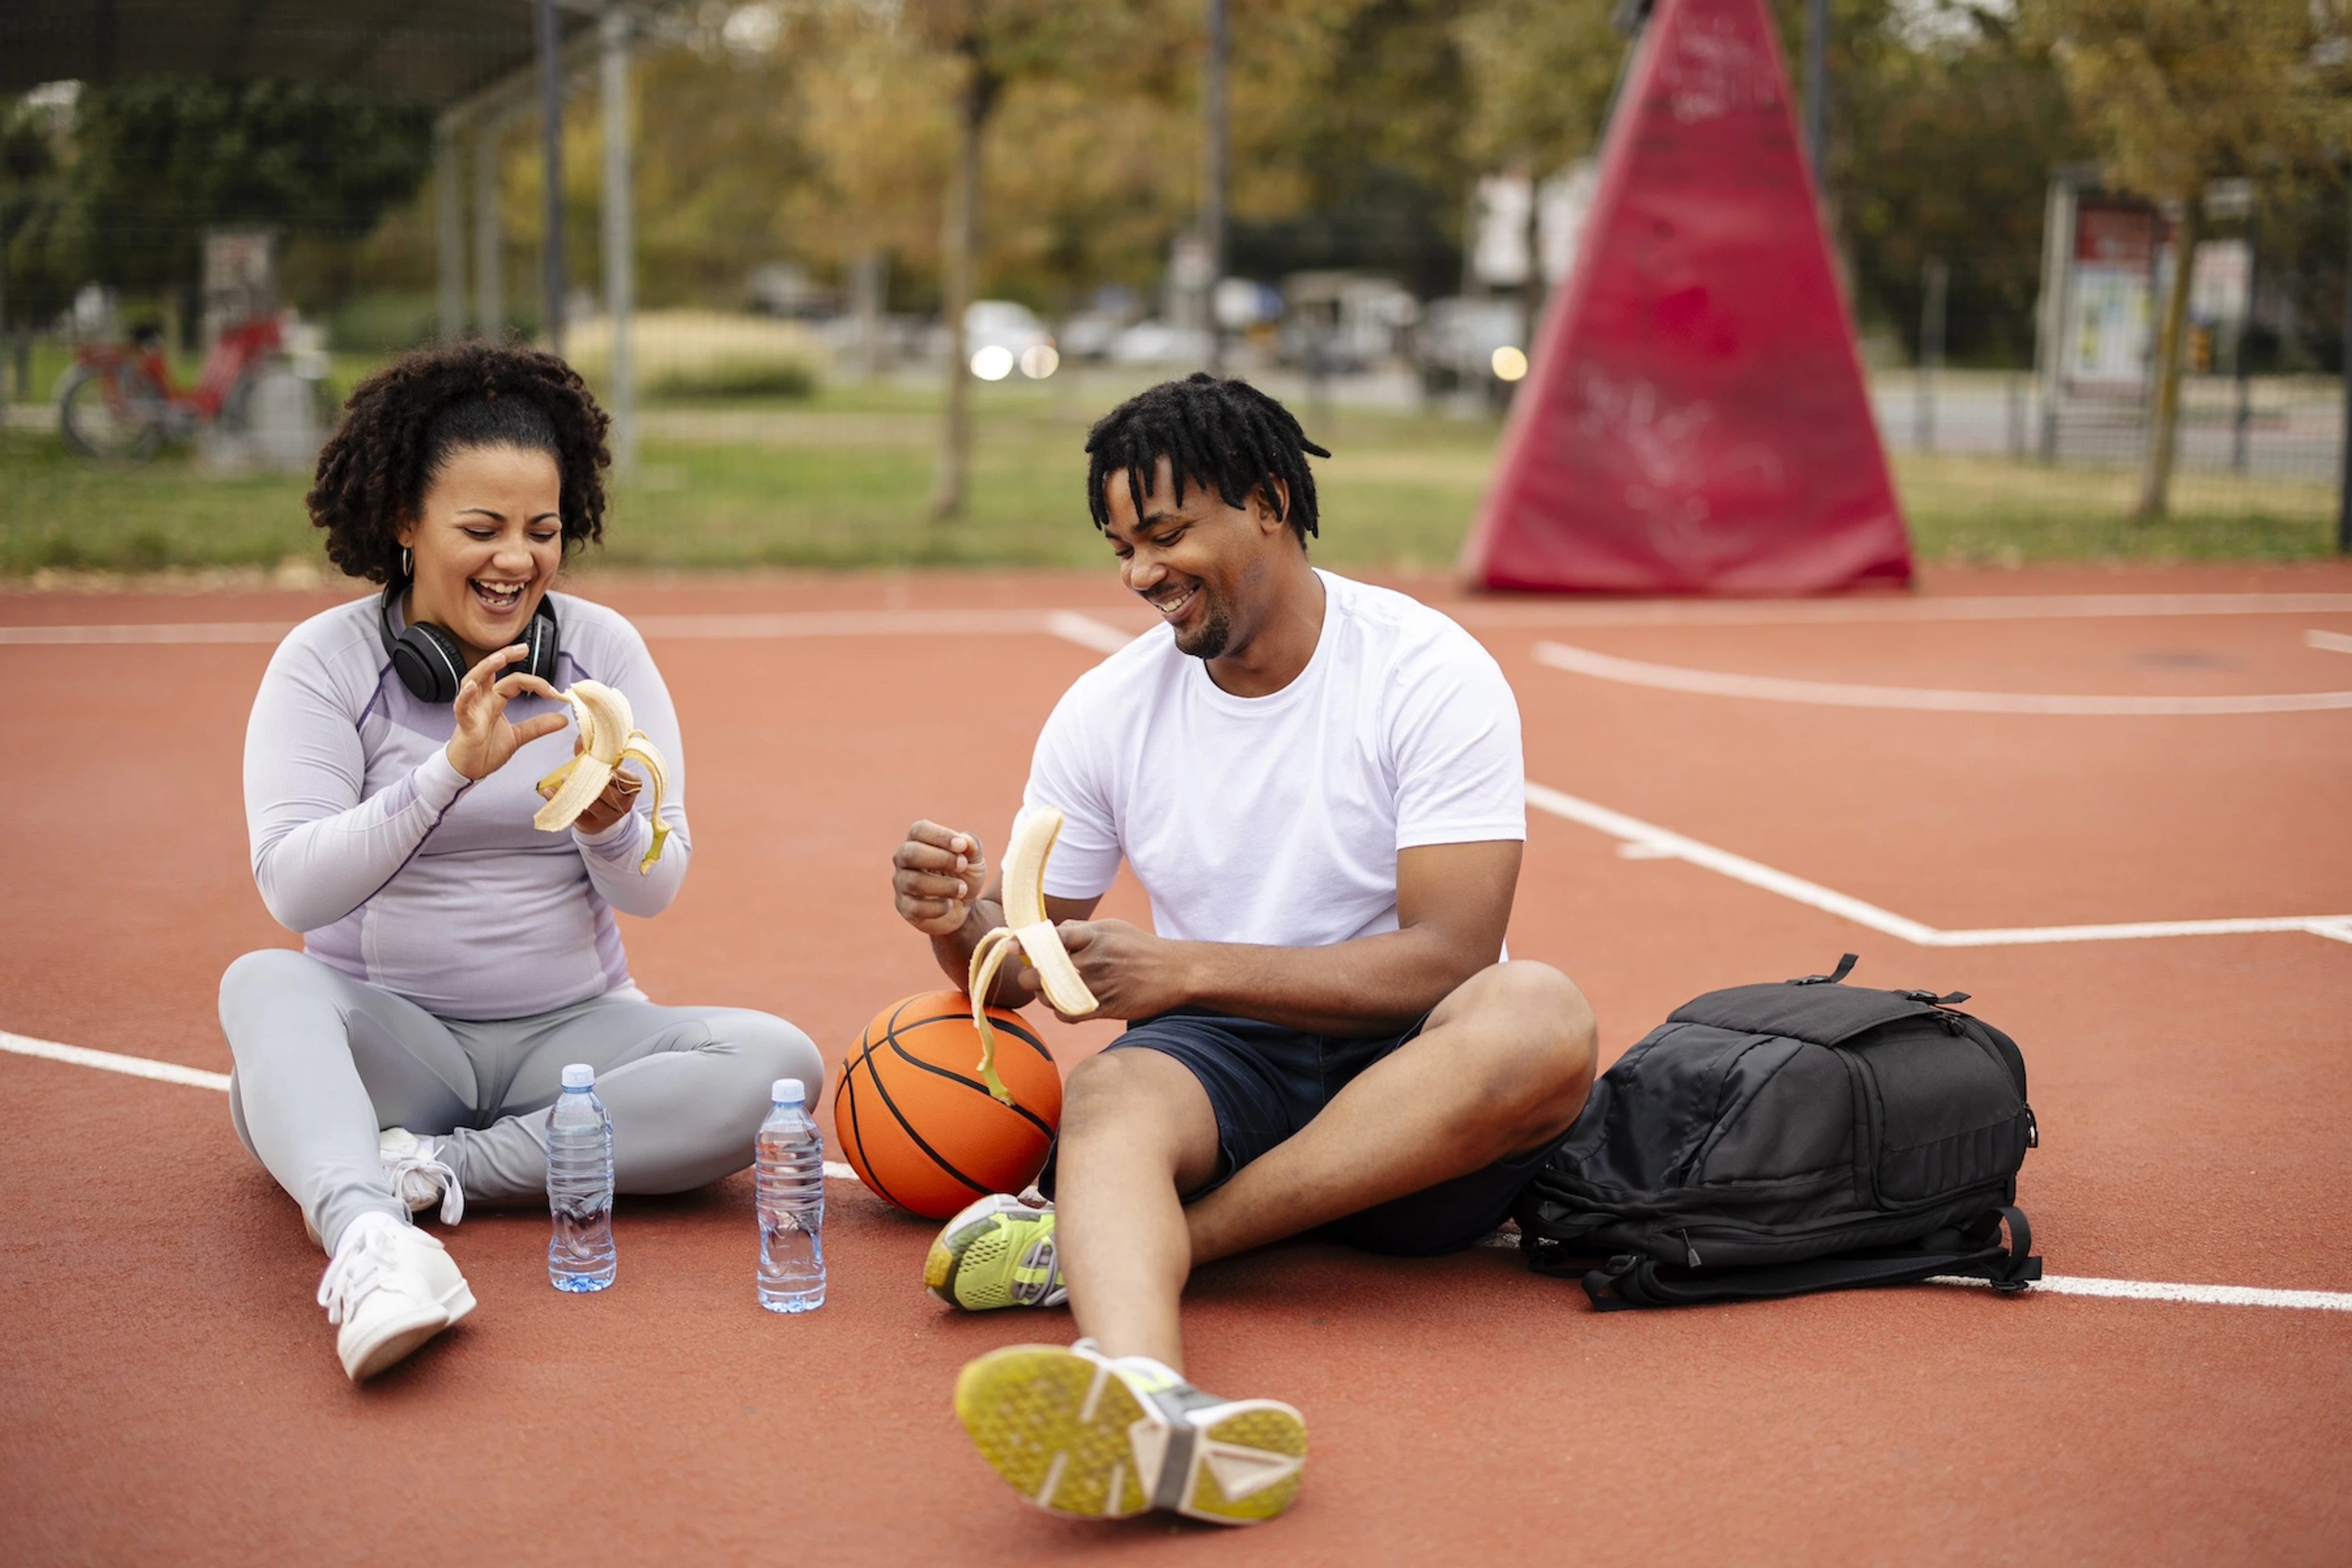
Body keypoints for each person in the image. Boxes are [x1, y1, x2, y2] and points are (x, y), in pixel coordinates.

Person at [890, 373, 1597, 1526]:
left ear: (1269, 502)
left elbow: (1453, 957)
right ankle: (1146, 1399)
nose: (1140, 575)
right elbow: (1023, 971)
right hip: (1229, 1064)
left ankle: (1132, 1250)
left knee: (1541, 1013)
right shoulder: (1106, 709)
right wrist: (955, 920)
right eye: (1121, 546)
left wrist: (1189, 970)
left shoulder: (1427, 672)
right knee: (1114, 1100)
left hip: (1413, 1079)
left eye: (1167, 534)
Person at [221, 341, 821, 1383]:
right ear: (404, 525)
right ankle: (371, 1240)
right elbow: (294, 888)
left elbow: (657, 888)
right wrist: (448, 769)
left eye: (543, 531)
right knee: (261, 985)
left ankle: (438, 1176)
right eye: (481, 529)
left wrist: (608, 820)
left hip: (576, 1037)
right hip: (395, 1043)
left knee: (781, 1065)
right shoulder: (327, 663)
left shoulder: (603, 653)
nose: (517, 560)